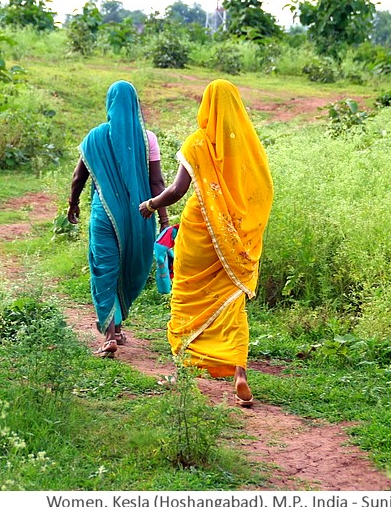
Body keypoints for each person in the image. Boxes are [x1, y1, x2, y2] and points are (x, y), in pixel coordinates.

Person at [138, 79, 273, 406]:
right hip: (235, 236)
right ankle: (240, 371)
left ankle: (183, 373)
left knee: (186, 295)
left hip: (200, 232)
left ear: (207, 105)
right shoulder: (247, 145)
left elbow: (177, 190)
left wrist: (152, 205)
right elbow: (263, 190)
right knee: (232, 302)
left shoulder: (197, 143)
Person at [68, 80, 169, 358]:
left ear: (110, 104)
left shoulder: (95, 137)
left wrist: (73, 203)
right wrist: (163, 219)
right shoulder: (147, 138)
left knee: (105, 268)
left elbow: (79, 177)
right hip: (141, 215)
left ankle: (111, 334)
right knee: (128, 266)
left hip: (105, 214)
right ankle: (118, 329)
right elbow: (157, 183)